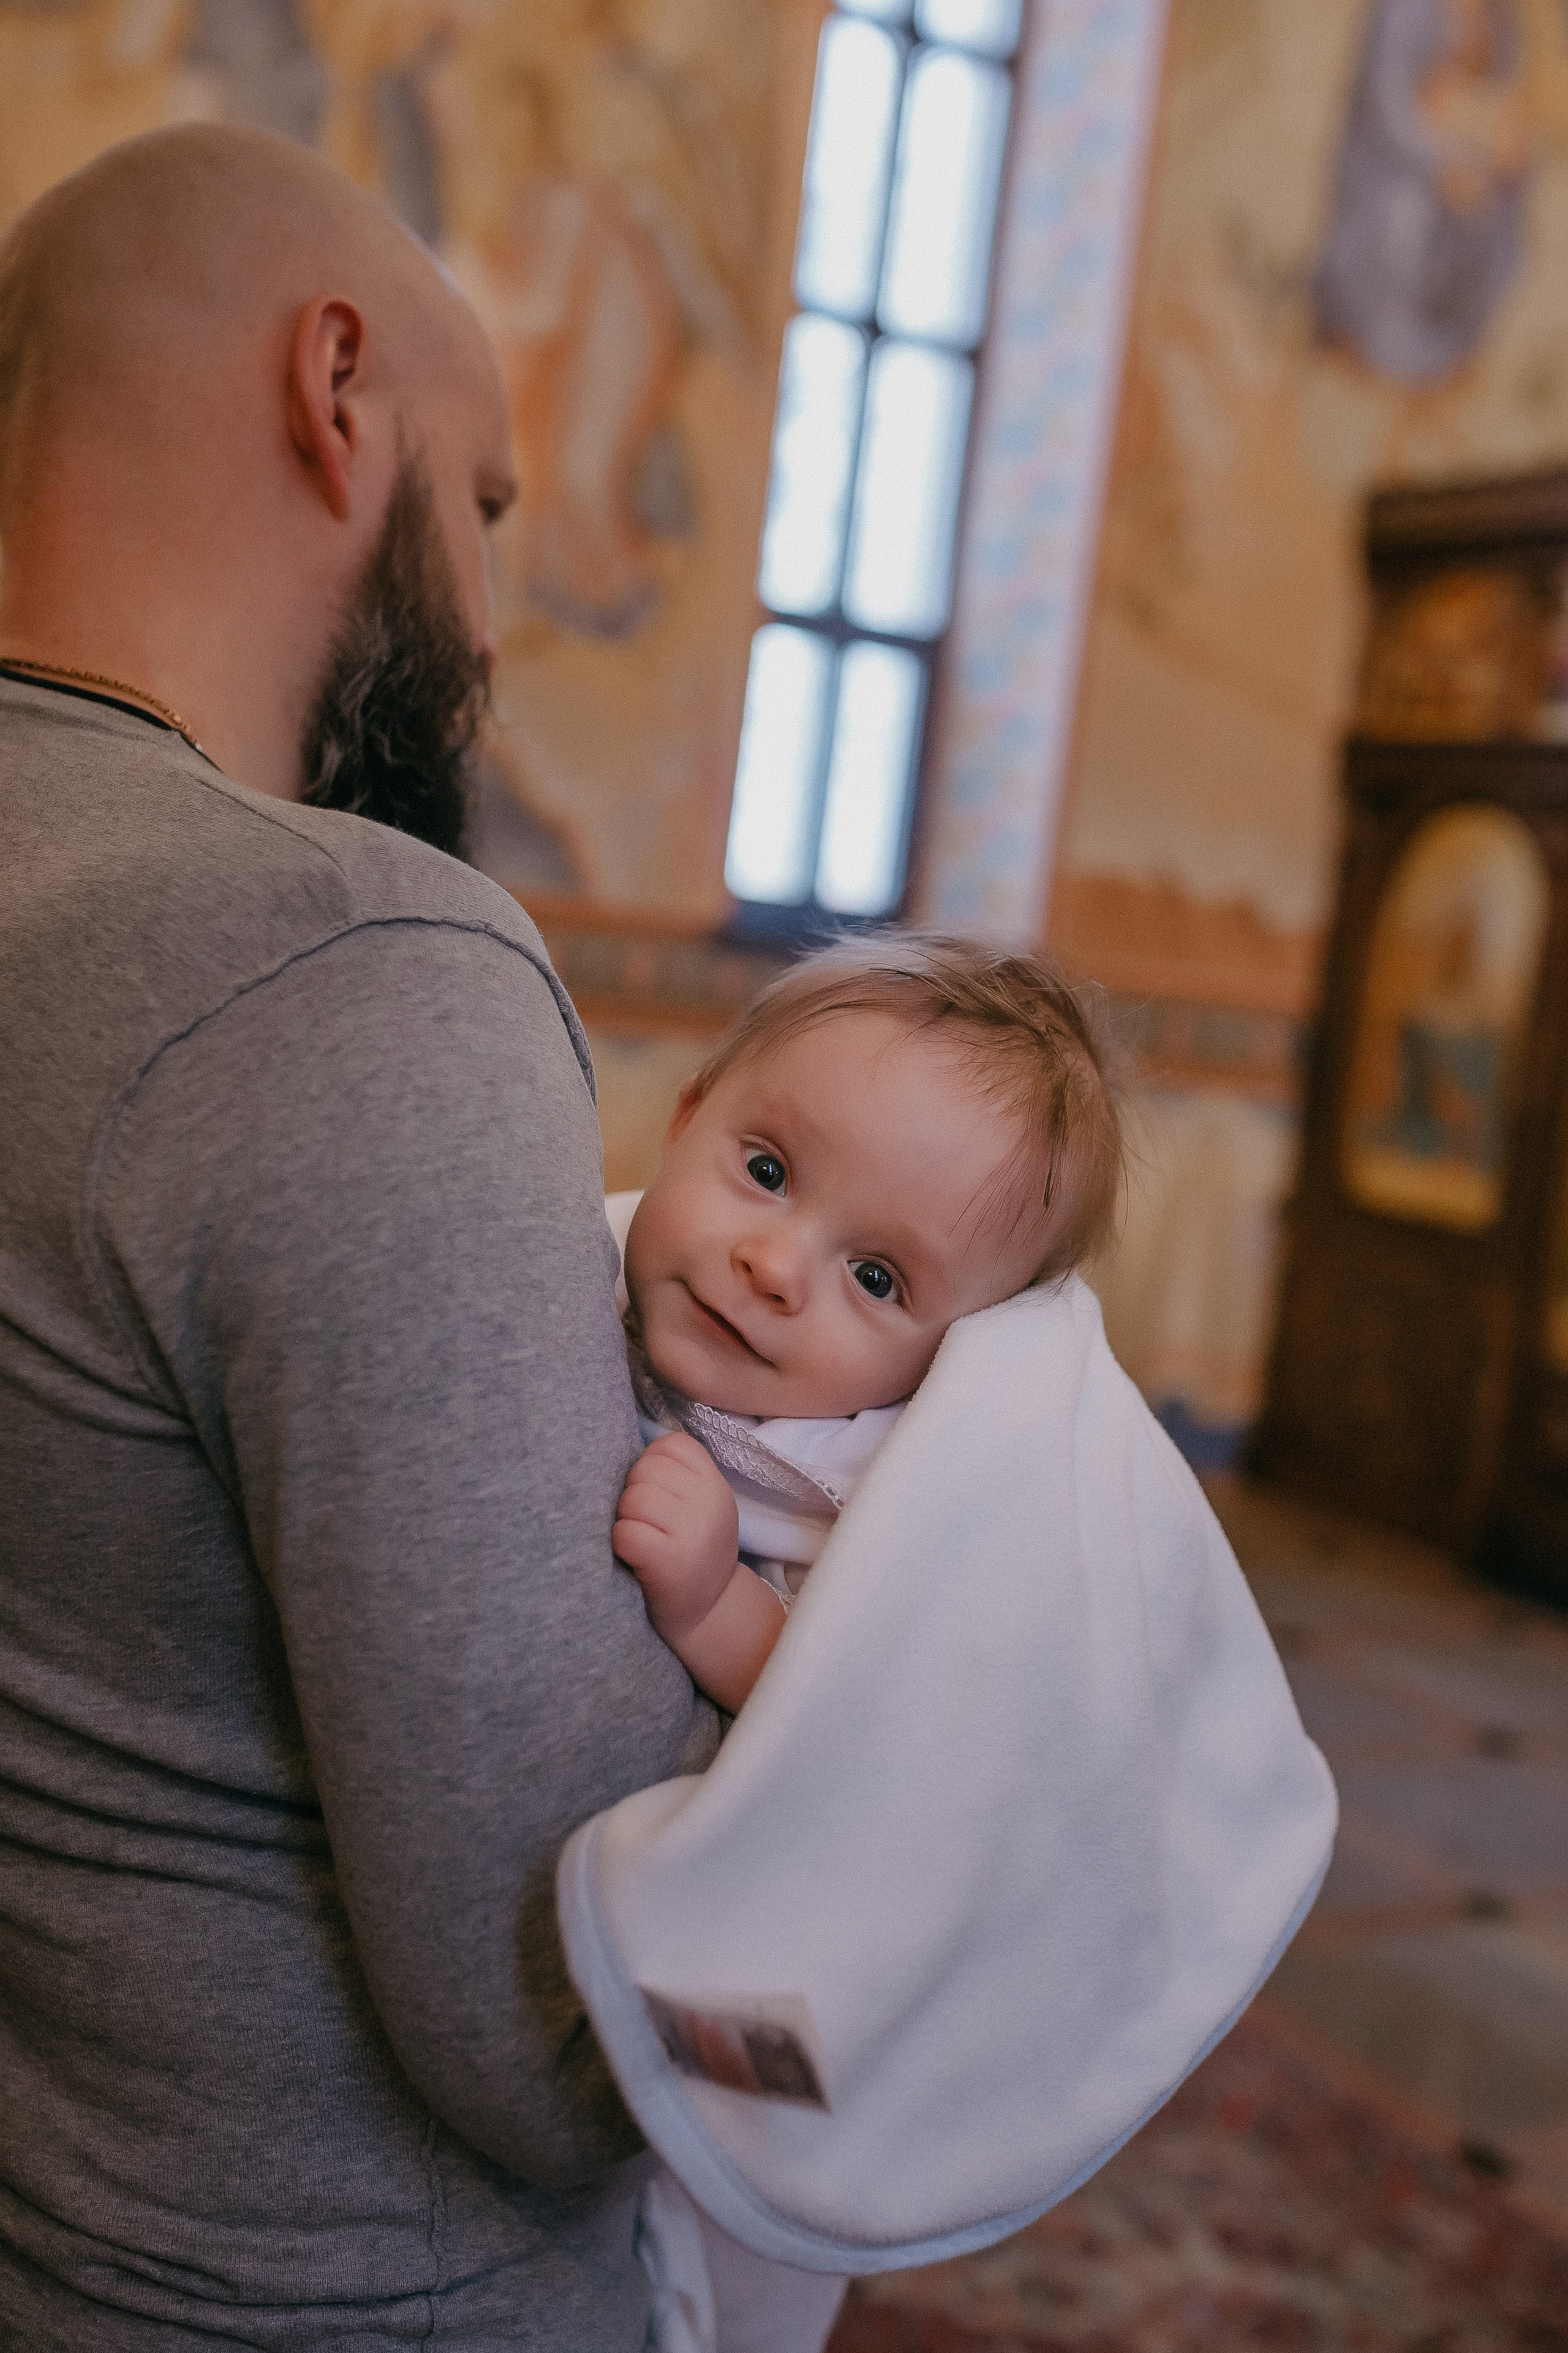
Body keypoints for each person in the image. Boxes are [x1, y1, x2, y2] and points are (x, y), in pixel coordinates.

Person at [0, 126, 716, 2349]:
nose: (488, 616)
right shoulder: (353, 960)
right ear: (337, 391)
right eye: (487, 506)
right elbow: (560, 2026)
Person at [605, 933, 1122, 2353]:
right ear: (688, 1111)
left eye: (878, 1279)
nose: (775, 1267)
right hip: (572, 1994)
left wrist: (716, 1602)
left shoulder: (873, 1482)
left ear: (956, 1354)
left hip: (779, 1985)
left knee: (748, 2248)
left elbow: (864, 1717)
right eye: (766, 1172)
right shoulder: (572, 1279)